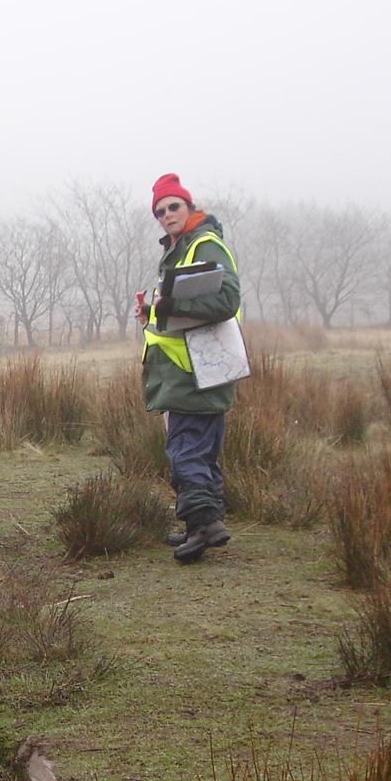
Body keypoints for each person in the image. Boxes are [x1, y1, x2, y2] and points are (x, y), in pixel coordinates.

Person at [138, 172, 241, 563]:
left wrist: (167, 307)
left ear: (189, 206)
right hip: (195, 370)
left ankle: (206, 525)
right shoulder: (182, 248)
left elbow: (226, 300)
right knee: (201, 452)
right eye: (160, 211)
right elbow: (178, 308)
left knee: (185, 452)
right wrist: (152, 310)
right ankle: (197, 524)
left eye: (173, 206)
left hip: (196, 372)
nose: (167, 215)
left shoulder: (206, 245)